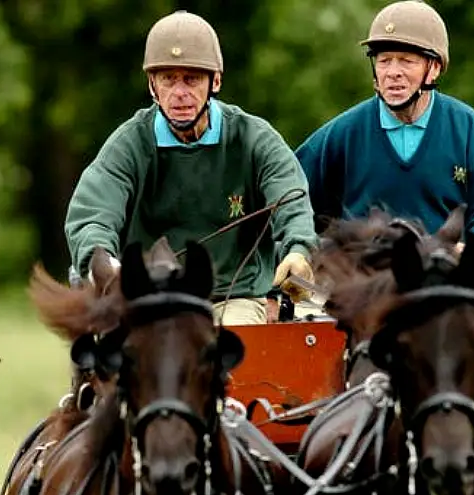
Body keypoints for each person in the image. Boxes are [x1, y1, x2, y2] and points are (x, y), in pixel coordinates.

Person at [293, 0, 474, 423]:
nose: (392, 72)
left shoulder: (466, 126)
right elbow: (294, 194)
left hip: (450, 275)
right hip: (370, 284)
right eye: (383, 60)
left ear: (434, 69)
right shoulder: (344, 132)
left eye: (405, 61)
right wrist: (307, 251)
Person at [64, 10, 317, 326]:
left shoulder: (254, 137)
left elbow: (290, 196)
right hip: (150, 297)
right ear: (152, 85)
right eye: (168, 79)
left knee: (233, 359)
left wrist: (297, 250)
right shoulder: (128, 144)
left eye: (191, 78)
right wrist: (106, 265)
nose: (179, 92)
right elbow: (92, 214)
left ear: (216, 80)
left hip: (233, 298)